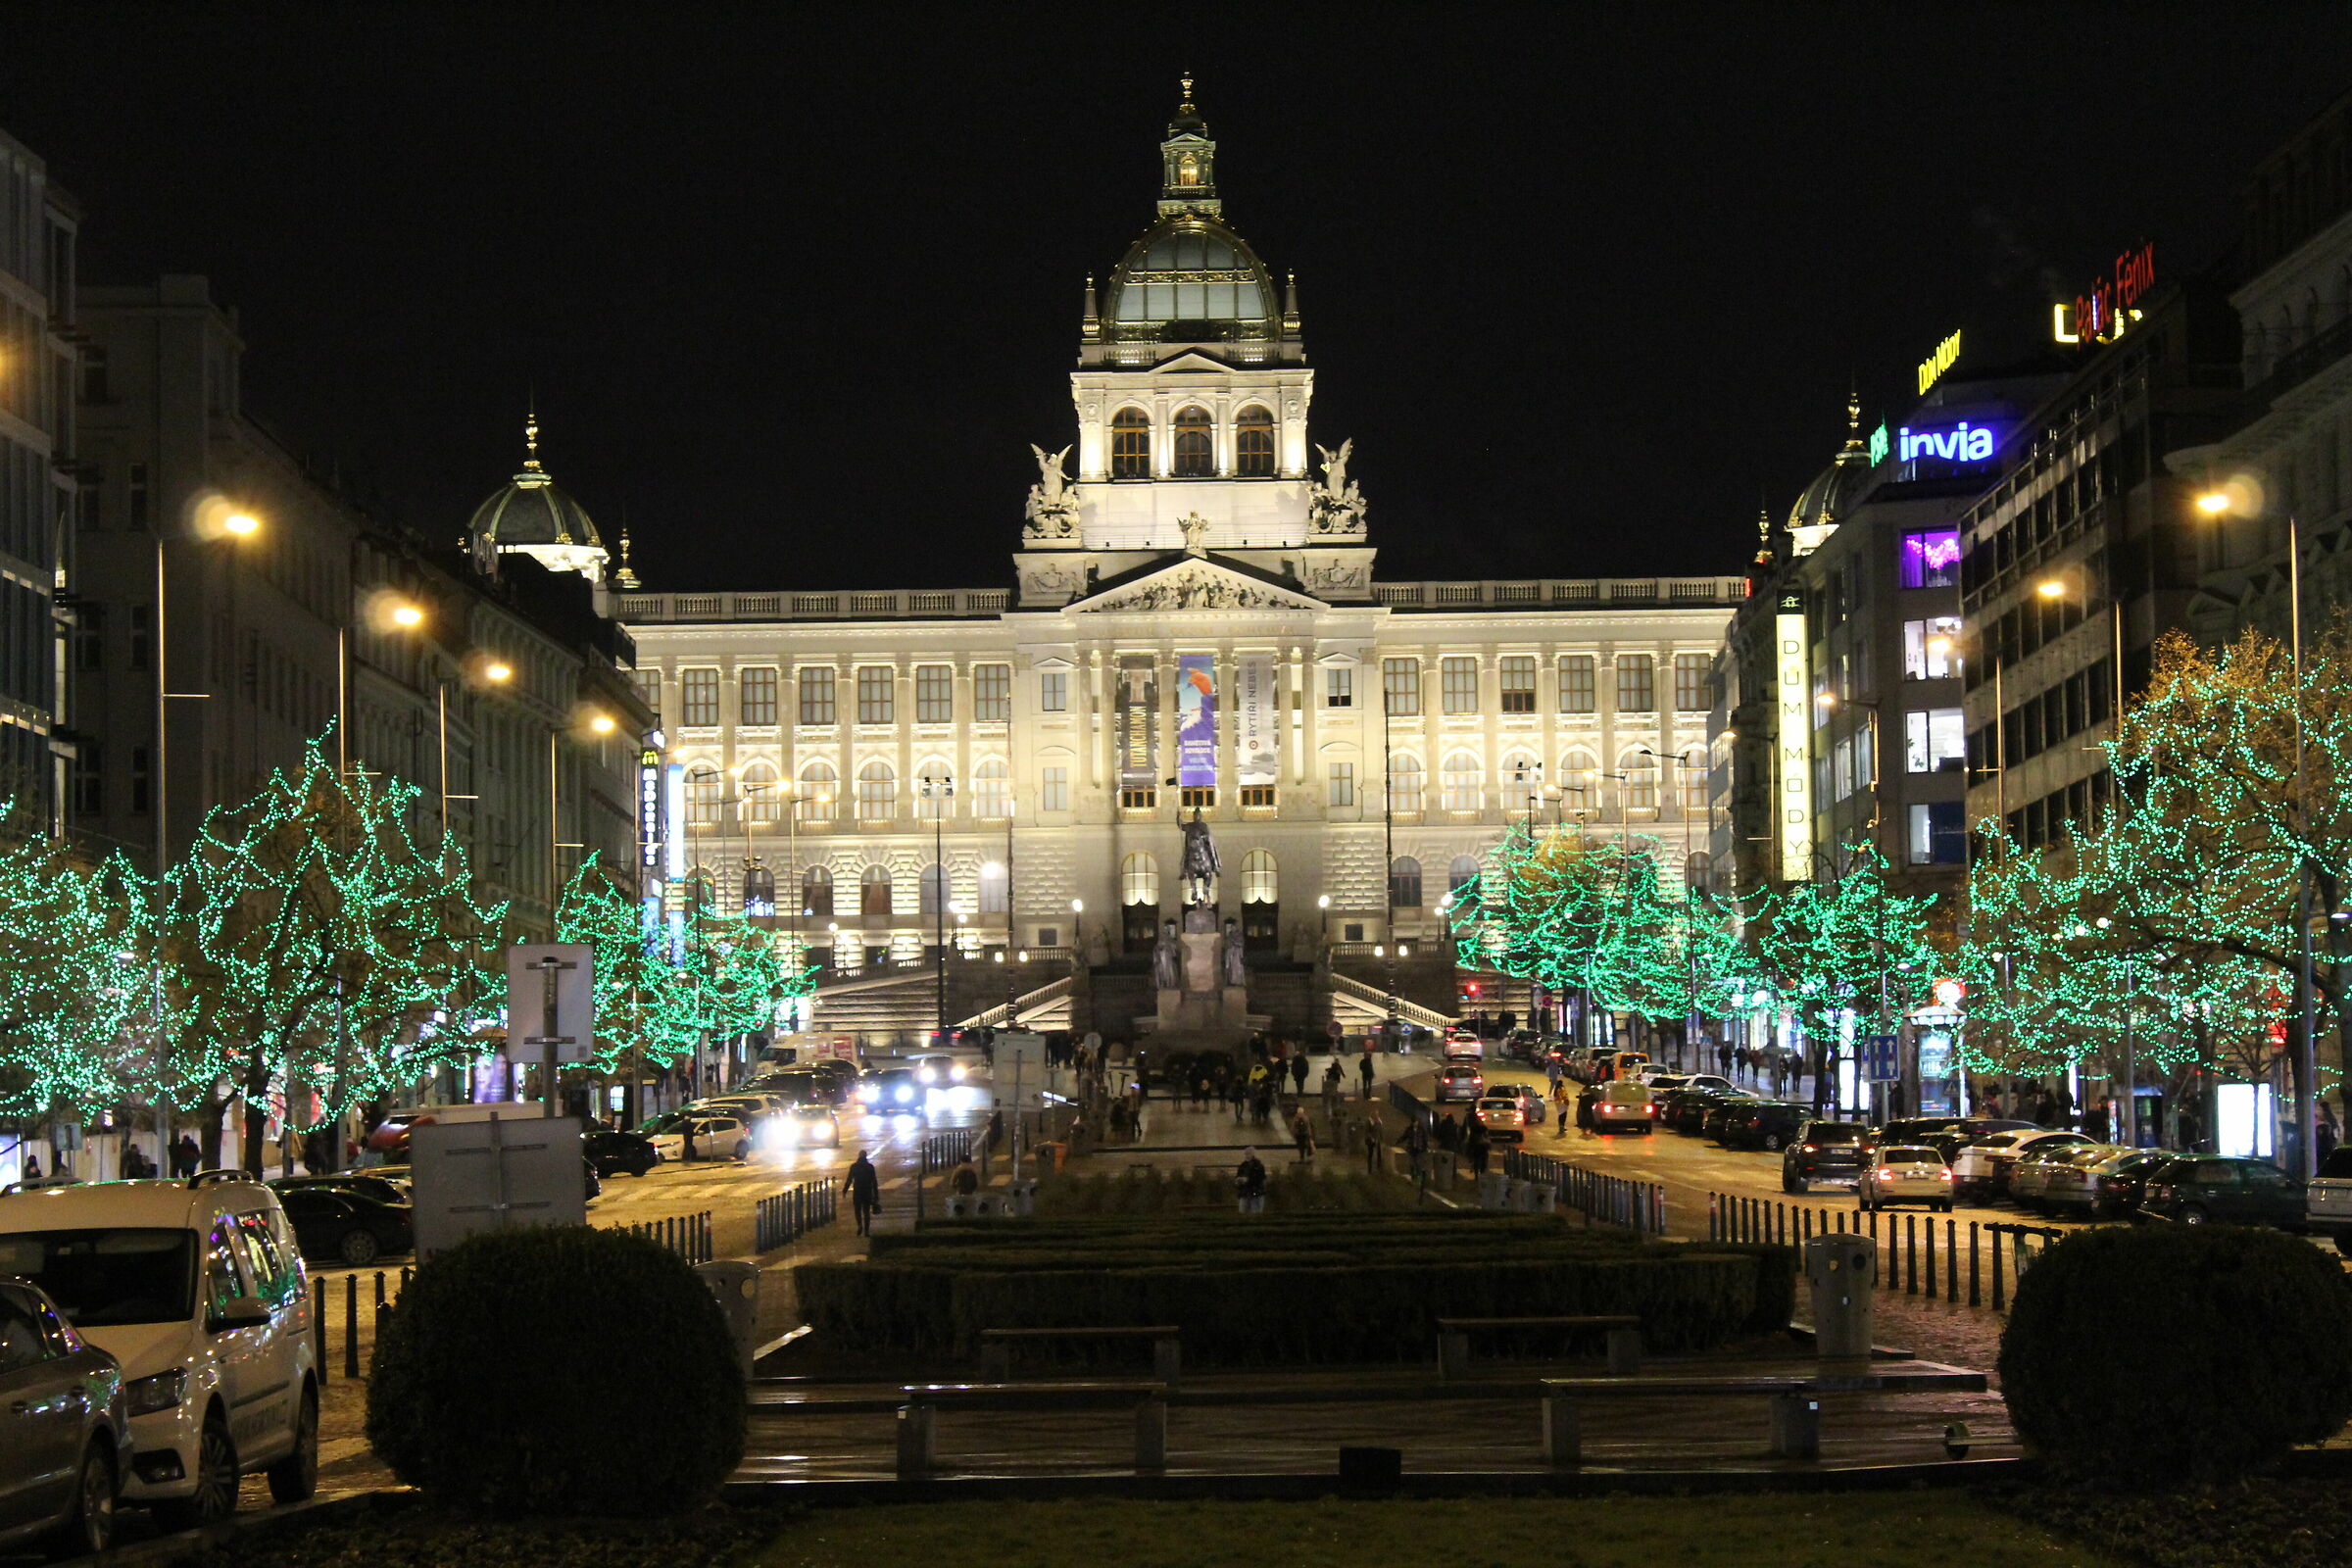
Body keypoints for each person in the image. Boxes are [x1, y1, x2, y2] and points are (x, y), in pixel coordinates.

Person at [844, 1149, 881, 1236]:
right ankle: (867, 1230)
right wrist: (876, 1194)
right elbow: (874, 1181)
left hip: (857, 1191)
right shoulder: (870, 1167)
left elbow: (849, 1179)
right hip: (867, 1191)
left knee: (857, 1210)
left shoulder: (854, 1166)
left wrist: (845, 1190)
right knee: (866, 1211)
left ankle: (860, 1225)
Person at [1235, 1148, 1268, 1212]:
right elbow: (1238, 1176)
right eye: (1245, 1154)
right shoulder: (1243, 1165)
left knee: (1254, 1213)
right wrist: (1237, 1181)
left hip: (1255, 1194)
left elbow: (1259, 1179)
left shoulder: (1258, 1166)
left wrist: (1247, 1180)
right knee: (1243, 1212)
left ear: (1253, 1154)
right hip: (1245, 1193)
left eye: (1248, 1154)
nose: (1246, 1156)